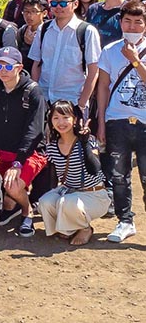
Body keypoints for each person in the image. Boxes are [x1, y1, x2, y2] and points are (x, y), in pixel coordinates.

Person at [0, 47, 47, 238]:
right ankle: (11, 205)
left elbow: (35, 130)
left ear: (19, 67)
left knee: (12, 187)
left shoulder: (33, 92)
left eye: (8, 66)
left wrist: (18, 163)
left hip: (28, 154)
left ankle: (27, 210)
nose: (3, 70)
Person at [95, 0, 146, 243]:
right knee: (118, 175)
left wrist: (135, 60)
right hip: (116, 119)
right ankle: (125, 220)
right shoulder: (109, 50)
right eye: (127, 21)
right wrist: (102, 123)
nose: (133, 26)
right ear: (120, 22)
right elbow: (102, 87)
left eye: (138, 22)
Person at [37, 100, 110, 245]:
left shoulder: (89, 140)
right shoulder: (51, 147)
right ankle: (67, 228)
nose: (61, 122)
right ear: (50, 121)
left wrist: (84, 144)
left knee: (67, 202)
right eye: (56, 118)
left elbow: (95, 170)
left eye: (66, 117)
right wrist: (52, 196)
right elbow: (52, 178)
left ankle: (84, 228)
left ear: (75, 119)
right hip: (69, 190)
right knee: (45, 201)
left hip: (94, 194)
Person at [29, 0, 101, 110]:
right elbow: (37, 64)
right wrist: (35, 95)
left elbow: (93, 70)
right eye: (54, 3)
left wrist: (82, 103)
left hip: (72, 101)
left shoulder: (87, 31)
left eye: (63, 3)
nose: (58, 7)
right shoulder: (43, 29)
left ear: (75, 4)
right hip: (44, 99)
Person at [16, 0, 49, 75]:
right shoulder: (22, 31)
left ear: (44, 13)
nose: (29, 15)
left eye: (34, 11)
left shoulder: (48, 31)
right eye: (26, 11)